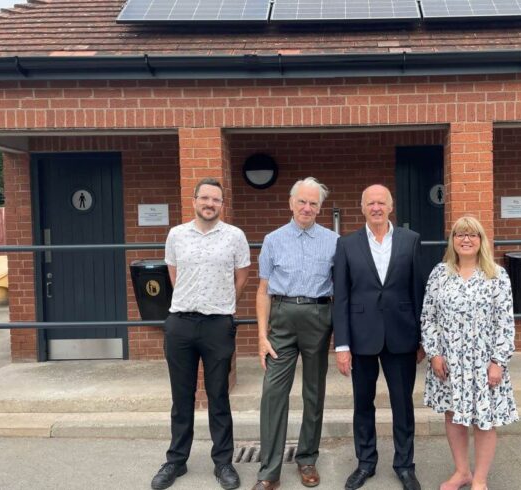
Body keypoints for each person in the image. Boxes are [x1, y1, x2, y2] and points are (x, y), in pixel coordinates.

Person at [151, 178, 250, 490]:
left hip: (217, 325)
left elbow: (242, 276)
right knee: (182, 398)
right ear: (194, 200)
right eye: (205, 198)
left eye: (216, 200)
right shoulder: (176, 235)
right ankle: (176, 461)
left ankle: (223, 463)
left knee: (218, 396)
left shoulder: (235, 236)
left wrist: (221, 304)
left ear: (222, 204)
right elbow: (174, 274)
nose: (210, 204)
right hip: (180, 323)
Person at [333, 184, 425, 490]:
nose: (376, 207)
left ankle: (404, 465)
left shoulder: (410, 241)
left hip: (401, 334)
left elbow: (418, 291)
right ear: (362, 208)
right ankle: (366, 463)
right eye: (370, 203)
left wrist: (422, 338)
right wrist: (342, 345)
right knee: (363, 403)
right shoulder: (347, 244)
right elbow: (342, 297)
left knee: (402, 404)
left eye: (381, 202)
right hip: (361, 337)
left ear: (391, 206)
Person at [252, 177, 339, 490]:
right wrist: (262, 336)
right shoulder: (273, 239)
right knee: (274, 394)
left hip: (318, 316)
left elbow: (340, 289)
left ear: (320, 207)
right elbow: (262, 291)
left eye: (313, 203)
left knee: (313, 392)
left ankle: (306, 458)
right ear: (291, 203)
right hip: (282, 318)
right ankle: (269, 470)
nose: (307, 207)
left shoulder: (333, 241)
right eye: (302, 201)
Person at [420, 216, 518, 490]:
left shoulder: (496, 275)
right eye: (460, 235)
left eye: (472, 235)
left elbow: (505, 322)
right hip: (449, 362)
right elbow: (428, 318)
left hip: (483, 362)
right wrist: (434, 353)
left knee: (484, 420)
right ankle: (462, 471)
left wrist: (498, 361)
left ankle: (480, 479)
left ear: (481, 240)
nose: (466, 239)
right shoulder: (440, 274)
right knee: (453, 414)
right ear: (452, 241)